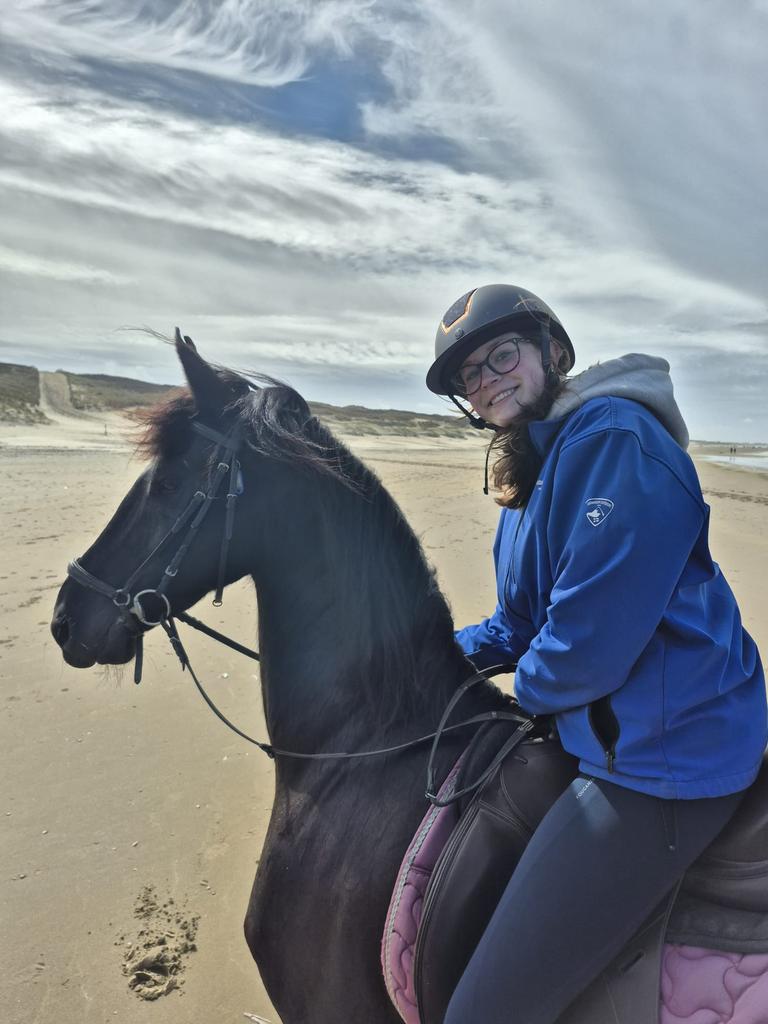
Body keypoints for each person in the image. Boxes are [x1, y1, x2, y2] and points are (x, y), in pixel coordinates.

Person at [425, 284, 768, 1024]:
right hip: (601, 733)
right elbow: (518, 625)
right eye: (470, 377)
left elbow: (586, 650)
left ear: (551, 351)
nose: (487, 381)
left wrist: (522, 691)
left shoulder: (614, 439)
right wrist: (423, 657)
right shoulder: (534, 471)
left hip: (666, 756)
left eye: (502, 356)